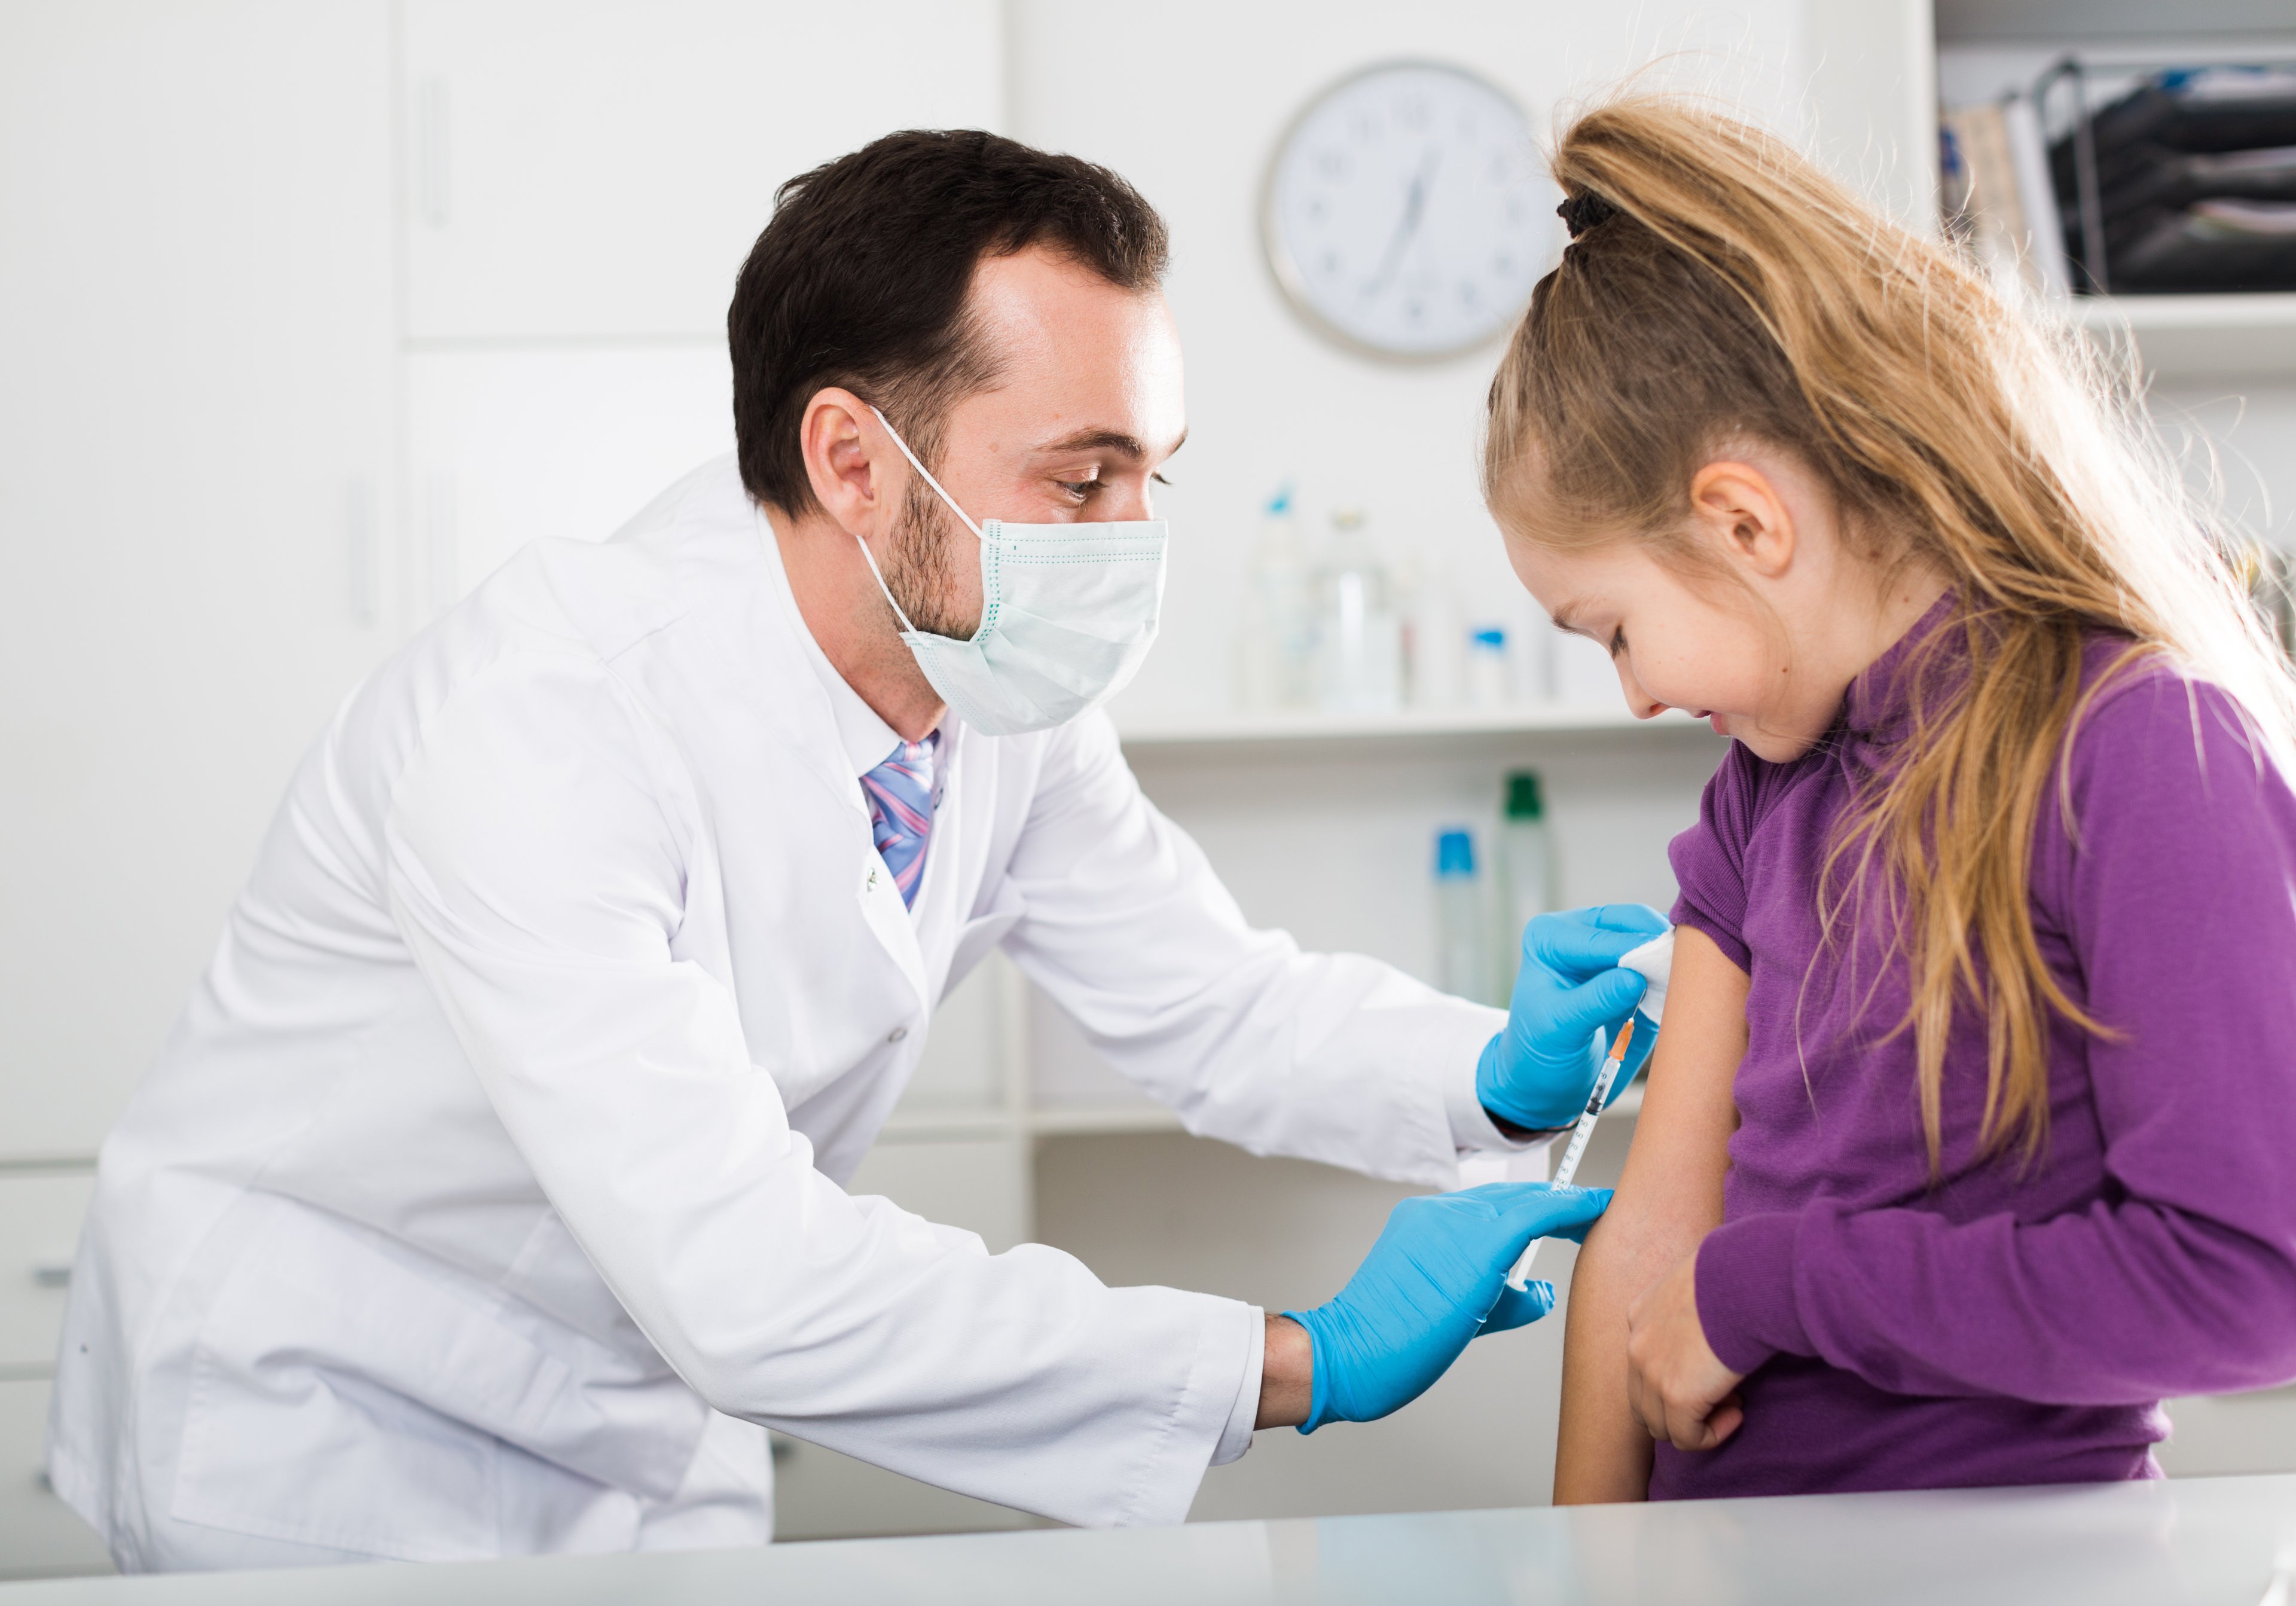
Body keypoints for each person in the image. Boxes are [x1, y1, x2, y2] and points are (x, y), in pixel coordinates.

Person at [47, 130, 1659, 1571]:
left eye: (1152, 478)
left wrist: (1498, 1076)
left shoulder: (991, 681)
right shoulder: (549, 717)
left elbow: (1209, 999)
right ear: (850, 458)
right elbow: (748, 1275)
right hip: (332, 1408)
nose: (1132, 545)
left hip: (636, 1414)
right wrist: (1295, 1355)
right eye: (1080, 477)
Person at [1479, 97, 2296, 1504]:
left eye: (1611, 629)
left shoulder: (2138, 745)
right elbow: (1651, 1237)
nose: (1634, 692)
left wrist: (1786, 1281)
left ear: (1746, 522)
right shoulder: (1761, 799)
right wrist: (1593, 1570)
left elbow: (2249, 1281)